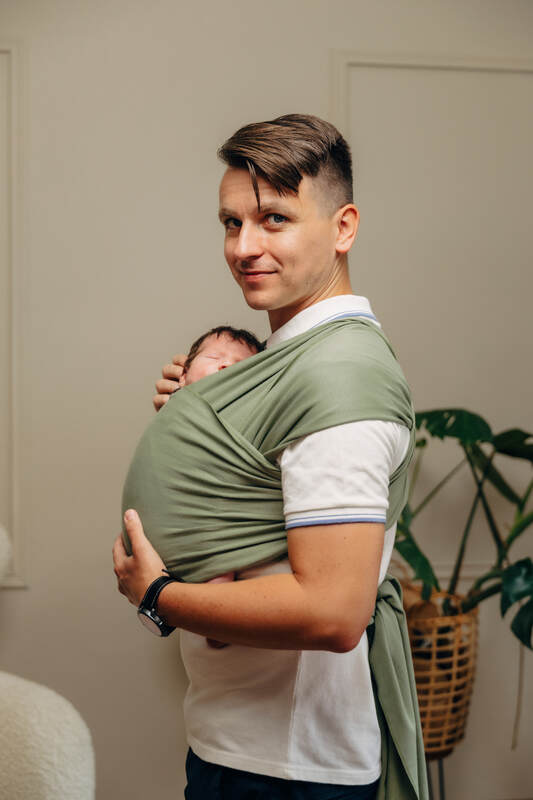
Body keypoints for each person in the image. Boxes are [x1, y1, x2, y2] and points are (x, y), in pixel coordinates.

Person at [113, 114, 427, 800]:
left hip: (288, 765)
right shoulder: (292, 358)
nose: (243, 247)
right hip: (242, 744)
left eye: (274, 219)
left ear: (343, 227)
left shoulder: (337, 376)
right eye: (231, 223)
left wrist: (158, 596)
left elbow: (333, 612)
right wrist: (193, 431)